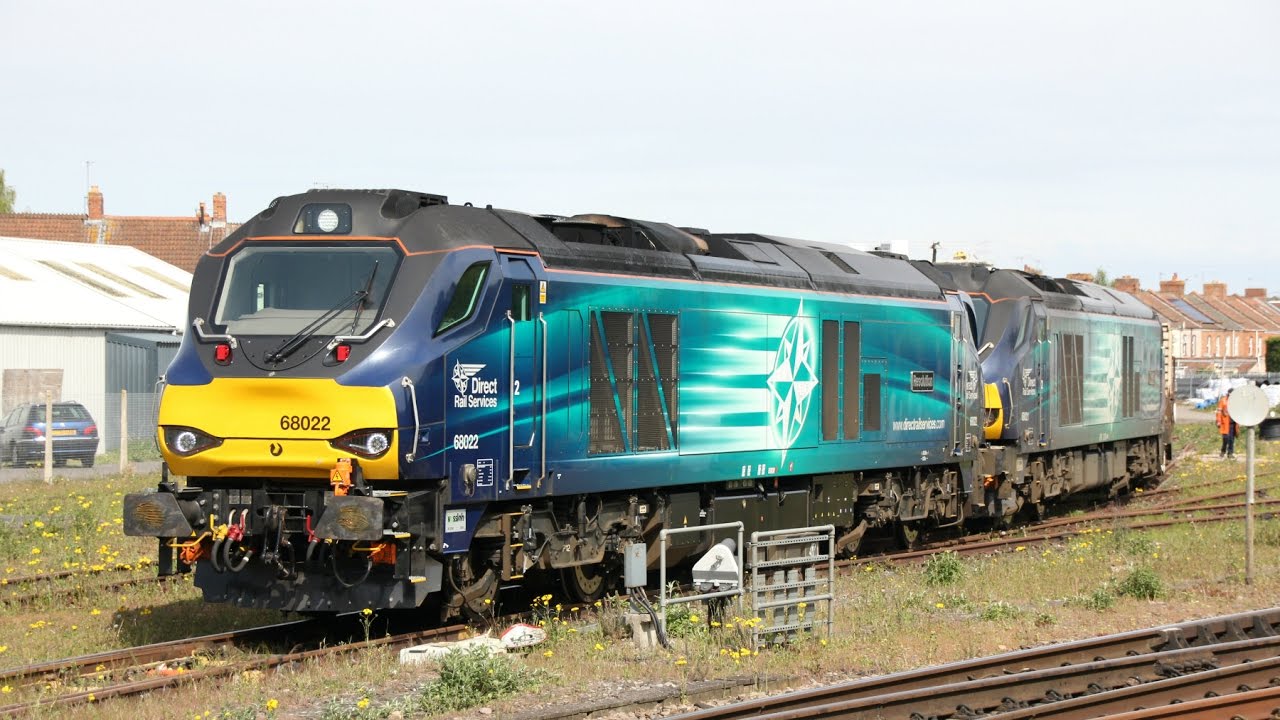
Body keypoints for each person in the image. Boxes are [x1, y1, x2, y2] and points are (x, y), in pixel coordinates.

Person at [1216, 390, 1238, 459]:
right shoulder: (1223, 400)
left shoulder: (1236, 401)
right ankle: (1223, 451)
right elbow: (1219, 412)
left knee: (1231, 439)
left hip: (1233, 424)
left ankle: (1230, 453)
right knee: (1226, 438)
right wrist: (1218, 421)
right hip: (1225, 423)